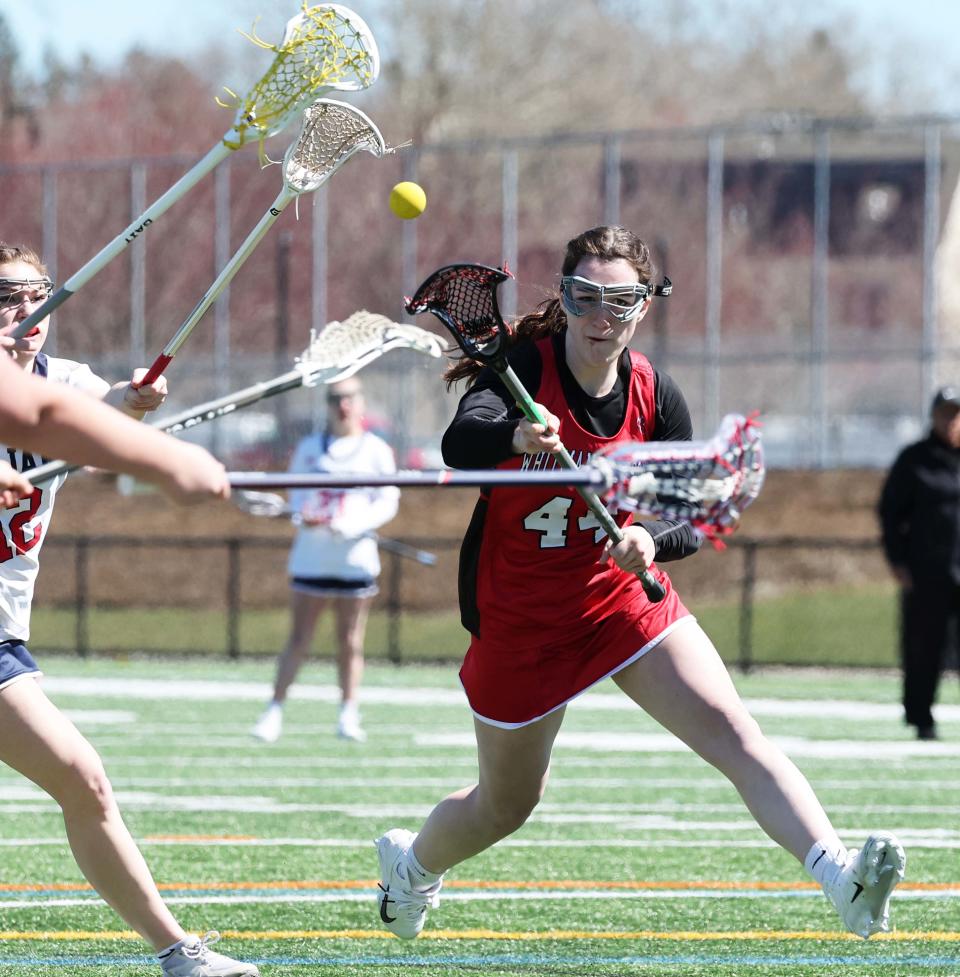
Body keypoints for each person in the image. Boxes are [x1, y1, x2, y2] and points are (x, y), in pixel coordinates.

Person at [373, 225, 905, 942]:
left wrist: (650, 538)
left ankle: (842, 878)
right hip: (522, 624)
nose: (601, 317)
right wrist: (516, 438)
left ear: (643, 306)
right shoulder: (522, 373)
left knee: (735, 733)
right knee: (505, 806)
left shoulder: (654, 392)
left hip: (618, 601)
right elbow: (460, 441)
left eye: (618, 302)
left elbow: (700, 512)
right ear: (564, 299)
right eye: (584, 297)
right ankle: (410, 869)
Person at [0, 243, 258, 977]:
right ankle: (180, 952)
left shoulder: (61, 380)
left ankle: (178, 951)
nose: (30, 313)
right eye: (8, 298)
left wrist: (134, 408)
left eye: (40, 295)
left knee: (82, 779)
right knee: (82, 772)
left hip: (4, 625)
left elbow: (84, 410)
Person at [251, 375, 399, 744]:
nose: (342, 405)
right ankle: (275, 710)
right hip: (312, 558)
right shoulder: (309, 448)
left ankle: (348, 713)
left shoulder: (375, 451)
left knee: (350, 640)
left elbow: (388, 500)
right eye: (335, 398)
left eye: (349, 398)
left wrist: (354, 523)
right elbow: (297, 495)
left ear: (361, 403)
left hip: (355, 559)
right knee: (299, 637)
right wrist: (310, 516)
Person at [878, 384, 960, 742]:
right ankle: (921, 717)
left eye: (958, 414)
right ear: (934, 416)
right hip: (929, 572)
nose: (952, 421)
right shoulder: (915, 459)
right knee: (925, 647)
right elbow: (890, 512)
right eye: (947, 413)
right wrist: (898, 560)